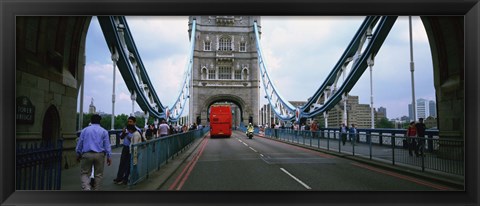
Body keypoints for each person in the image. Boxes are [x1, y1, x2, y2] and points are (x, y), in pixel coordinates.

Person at [76, 114, 112, 190]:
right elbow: (107, 145)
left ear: (91, 121)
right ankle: (97, 190)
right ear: (100, 121)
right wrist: (109, 156)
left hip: (87, 154)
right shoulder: (104, 131)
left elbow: (80, 143)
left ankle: (86, 188)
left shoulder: (85, 130)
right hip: (99, 155)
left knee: (85, 173)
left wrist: (78, 153)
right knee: (98, 175)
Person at [114, 116, 141, 185]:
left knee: (129, 164)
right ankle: (119, 177)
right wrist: (123, 133)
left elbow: (137, 140)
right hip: (125, 147)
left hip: (132, 149)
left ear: (134, 122)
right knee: (122, 163)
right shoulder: (126, 129)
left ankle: (127, 179)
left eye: (131, 122)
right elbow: (121, 137)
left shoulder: (138, 130)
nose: (129, 123)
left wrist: (129, 137)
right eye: (128, 121)